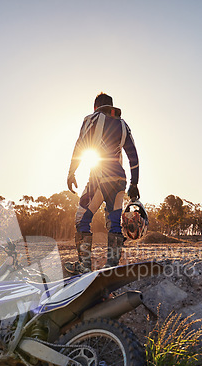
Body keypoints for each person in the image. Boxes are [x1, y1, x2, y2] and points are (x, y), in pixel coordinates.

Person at [65, 92, 140, 274]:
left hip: (100, 177)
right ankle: (111, 267)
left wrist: (71, 172)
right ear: (111, 106)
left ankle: (84, 265)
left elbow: (80, 145)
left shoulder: (91, 119)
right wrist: (134, 183)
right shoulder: (124, 125)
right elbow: (133, 156)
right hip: (120, 179)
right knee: (114, 223)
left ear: (95, 107)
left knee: (82, 220)